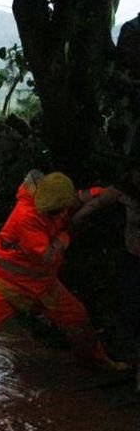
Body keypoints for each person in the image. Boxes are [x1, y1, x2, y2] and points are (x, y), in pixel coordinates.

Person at [0, 170, 130, 378]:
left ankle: (94, 361)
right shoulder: (25, 217)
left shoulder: (56, 198)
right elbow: (47, 256)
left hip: (41, 283)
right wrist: (69, 232)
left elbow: (80, 197)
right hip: (5, 284)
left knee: (76, 316)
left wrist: (106, 192)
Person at [72, 157, 140, 390]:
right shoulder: (125, 190)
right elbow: (96, 203)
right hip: (133, 260)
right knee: (131, 313)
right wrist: (73, 223)